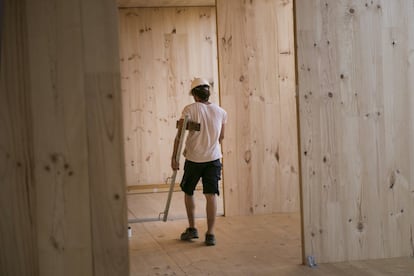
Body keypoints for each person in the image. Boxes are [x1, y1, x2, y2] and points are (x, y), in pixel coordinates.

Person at [171, 77, 227, 246]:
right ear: (208, 93)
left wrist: (174, 157)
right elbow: (221, 137)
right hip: (213, 159)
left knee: (188, 192)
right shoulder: (221, 111)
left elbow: (179, 136)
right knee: (211, 195)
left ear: (194, 95)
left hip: (194, 159)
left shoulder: (189, 109)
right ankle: (210, 234)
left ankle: (192, 228)